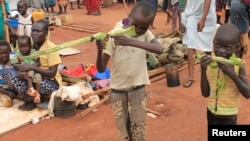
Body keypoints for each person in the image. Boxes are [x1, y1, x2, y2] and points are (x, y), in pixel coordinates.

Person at [95, 1, 163, 140]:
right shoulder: (116, 33)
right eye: (135, 25)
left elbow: (159, 49)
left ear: (149, 25)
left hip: (137, 90)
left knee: (139, 132)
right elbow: (101, 68)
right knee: (123, 132)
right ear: (129, 15)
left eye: (143, 28)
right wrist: (100, 49)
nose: (138, 30)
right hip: (117, 91)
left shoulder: (145, 33)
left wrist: (130, 41)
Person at [3, 19, 62, 111]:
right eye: (33, 30)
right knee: (7, 72)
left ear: (46, 33)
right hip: (31, 75)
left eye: (38, 31)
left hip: (49, 82)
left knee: (26, 80)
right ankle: (31, 95)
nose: (34, 33)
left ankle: (31, 100)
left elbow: (52, 73)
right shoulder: (31, 44)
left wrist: (31, 68)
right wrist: (22, 70)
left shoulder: (51, 48)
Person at [199, 23, 250, 125]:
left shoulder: (239, 65)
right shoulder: (210, 64)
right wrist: (203, 70)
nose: (221, 51)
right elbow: (205, 93)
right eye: (217, 46)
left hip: (229, 117)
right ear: (213, 43)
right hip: (211, 113)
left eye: (227, 48)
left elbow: (247, 93)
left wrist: (232, 74)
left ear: (237, 48)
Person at [180, 0, 217, 88]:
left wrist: (203, 19)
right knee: (191, 42)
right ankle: (191, 76)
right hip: (192, 14)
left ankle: (207, 73)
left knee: (208, 45)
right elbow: (183, 2)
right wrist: (183, 16)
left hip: (207, 14)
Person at [11, 35, 42, 104]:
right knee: (30, 71)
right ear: (18, 47)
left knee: (38, 76)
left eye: (26, 46)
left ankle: (37, 94)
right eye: (21, 47)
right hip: (25, 71)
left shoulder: (33, 52)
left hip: (34, 69)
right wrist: (18, 66)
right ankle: (31, 88)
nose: (23, 49)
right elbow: (13, 62)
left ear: (30, 46)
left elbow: (39, 61)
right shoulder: (18, 54)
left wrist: (33, 66)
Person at [0, 41, 16, 108]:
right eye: (1, 53)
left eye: (6, 52)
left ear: (10, 51)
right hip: (2, 89)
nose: (4, 55)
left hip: (13, 88)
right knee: (7, 103)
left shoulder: (14, 60)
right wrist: (7, 93)